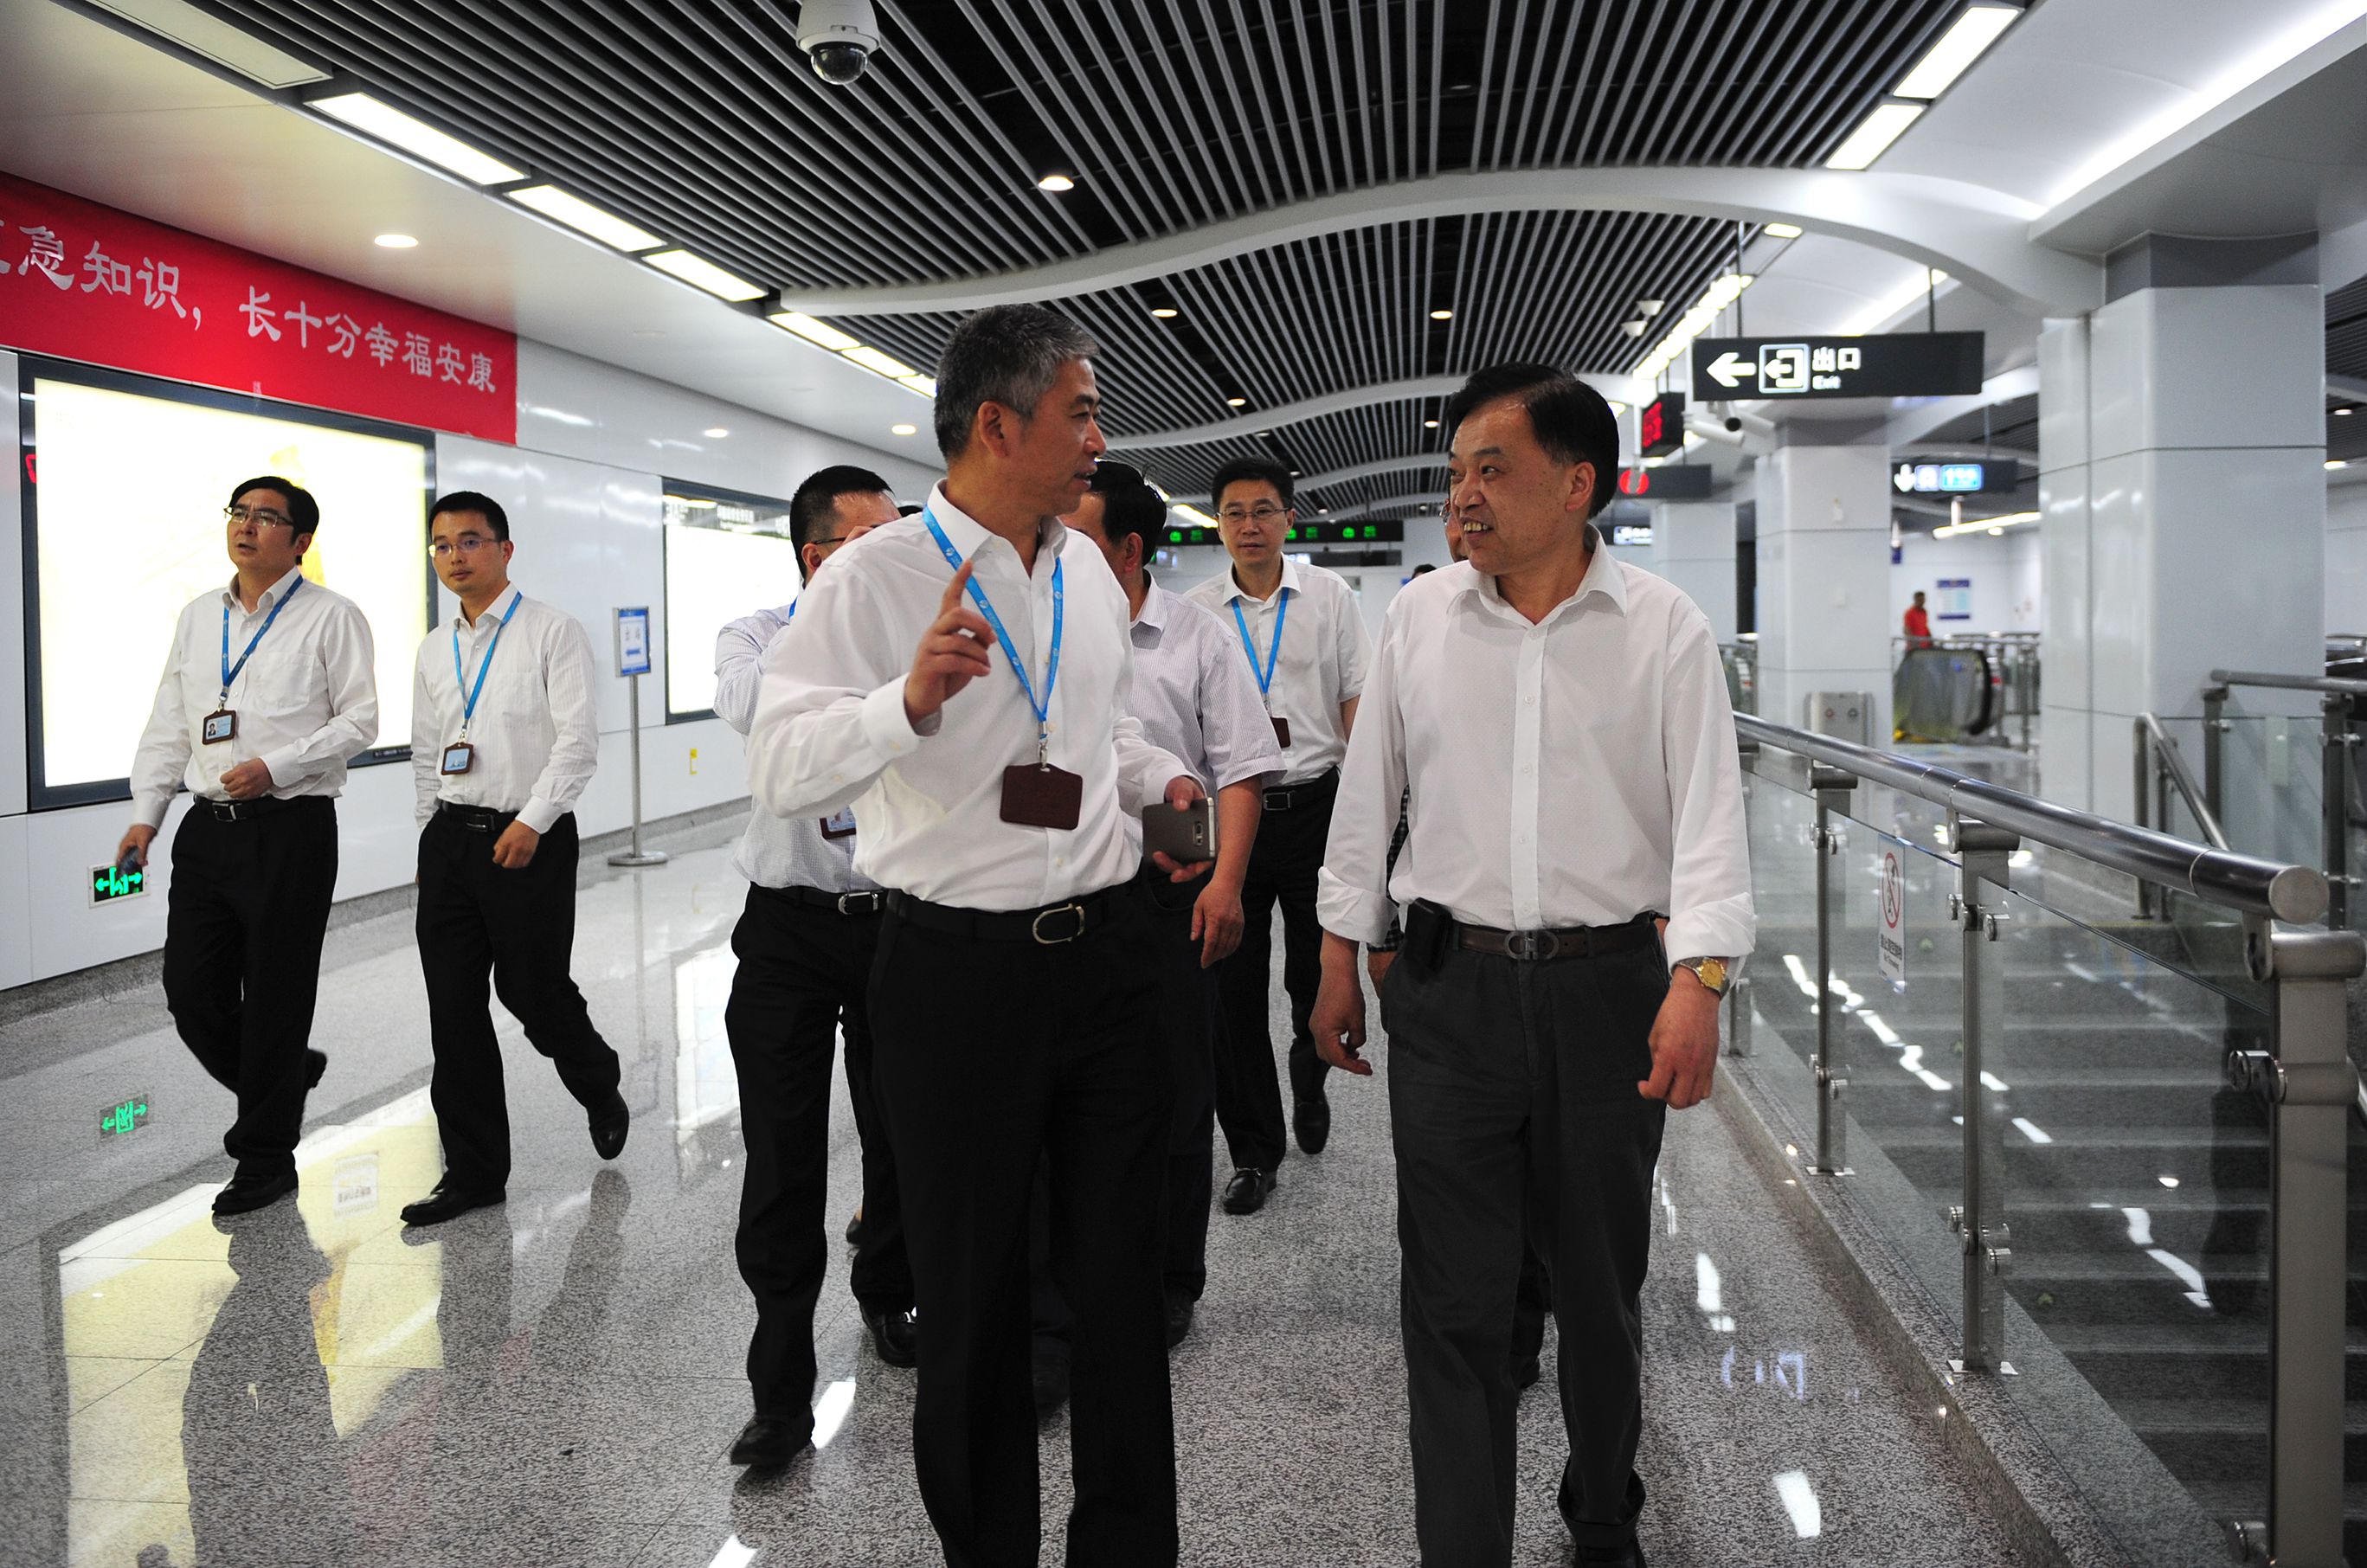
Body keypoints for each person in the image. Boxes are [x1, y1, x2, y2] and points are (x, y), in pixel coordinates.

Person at [745, 303, 1207, 1567]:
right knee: (972, 1293)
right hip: (956, 978)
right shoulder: (874, 577)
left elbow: (1098, 734)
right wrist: (903, 703)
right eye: (1082, 413)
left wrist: (1158, 784)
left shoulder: (1083, 568)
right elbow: (780, 765)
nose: (1099, 438)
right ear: (996, 425)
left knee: (1119, 1289)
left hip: (1106, 961)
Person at [1310, 363, 1754, 1568]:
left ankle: (1603, 1507)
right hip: (1448, 993)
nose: (1461, 495)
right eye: (1455, 471)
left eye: (1490, 469)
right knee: (1450, 1300)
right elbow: (1367, 801)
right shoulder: (1418, 618)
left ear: (1574, 485)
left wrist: (1698, 980)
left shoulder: (1661, 626)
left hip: (1607, 990)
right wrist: (1338, 952)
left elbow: (1709, 821)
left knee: (1597, 1285)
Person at [712, 464, 917, 1470]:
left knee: (899, 1133)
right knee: (782, 1154)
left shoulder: (916, 644)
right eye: (869, 543)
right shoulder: (754, 638)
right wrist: (843, 637)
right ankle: (779, 1391)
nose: (894, 559)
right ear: (815, 555)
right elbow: (758, 713)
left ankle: (889, 1295)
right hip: (787, 929)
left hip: (897, 922)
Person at [1062, 459, 1280, 1347]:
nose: (1052, 549)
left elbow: (1242, 769)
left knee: (1180, 1084)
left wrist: (1224, 883)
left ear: (1128, 550)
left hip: (1174, 868)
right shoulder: (1043, 626)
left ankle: (1171, 1278)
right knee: (1081, 1093)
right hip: (1069, 880)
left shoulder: (1193, 635)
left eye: (1075, 537)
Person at [120, 477, 378, 1217]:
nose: (247, 525)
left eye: (267, 517)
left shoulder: (332, 616)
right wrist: (146, 814)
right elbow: (170, 720)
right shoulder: (200, 615)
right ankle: (282, 1079)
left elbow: (360, 720)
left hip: (289, 827)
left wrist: (278, 765)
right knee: (190, 992)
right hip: (207, 829)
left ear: (300, 541)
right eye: (240, 512)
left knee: (275, 997)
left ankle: (265, 1159)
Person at [402, 491, 624, 1227]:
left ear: (504, 549)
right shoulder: (433, 649)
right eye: (441, 545)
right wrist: (427, 835)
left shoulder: (551, 631)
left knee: (531, 991)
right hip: (451, 839)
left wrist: (533, 818)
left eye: (469, 541)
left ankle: (595, 1076)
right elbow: (428, 751)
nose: (454, 557)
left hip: (529, 838)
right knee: (452, 1008)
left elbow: (577, 743)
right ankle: (473, 1173)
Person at [1181, 456, 1368, 1216]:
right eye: (1233, 513)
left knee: (1311, 976)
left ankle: (1309, 1077)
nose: (1248, 526)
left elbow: (1355, 699)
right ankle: (1253, 1152)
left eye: (1262, 510)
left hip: (1316, 806)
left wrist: (1371, 805)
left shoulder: (1328, 597)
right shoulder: (1196, 611)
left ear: (1289, 518)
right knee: (1229, 986)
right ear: (1217, 524)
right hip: (1232, 817)